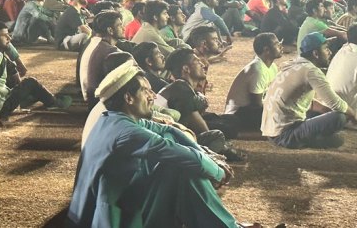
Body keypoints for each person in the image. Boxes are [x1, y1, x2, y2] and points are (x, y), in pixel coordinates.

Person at [68, 61, 239, 228]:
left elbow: (168, 130)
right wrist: (218, 173)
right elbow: (176, 153)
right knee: (184, 169)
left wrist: (206, 154)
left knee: (183, 162)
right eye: (146, 91)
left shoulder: (113, 119)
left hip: (122, 204)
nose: (154, 96)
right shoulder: (126, 132)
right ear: (128, 98)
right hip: (112, 220)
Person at [262, 32, 357, 149]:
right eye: (326, 49)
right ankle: (305, 141)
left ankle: (310, 137)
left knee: (326, 115)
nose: (329, 52)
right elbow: (335, 103)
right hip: (285, 135)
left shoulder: (293, 64)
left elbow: (297, 99)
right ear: (315, 53)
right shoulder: (310, 70)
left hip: (272, 131)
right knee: (339, 118)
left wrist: (323, 109)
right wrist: (353, 114)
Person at [0, 21, 71, 127]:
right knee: (30, 82)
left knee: (11, 75)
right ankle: (54, 103)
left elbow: (8, 66)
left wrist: (16, 77)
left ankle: (26, 99)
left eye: (8, 35)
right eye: (4, 36)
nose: (9, 38)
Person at [224, 33, 282, 132]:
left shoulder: (272, 67)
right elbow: (257, 104)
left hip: (250, 110)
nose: (281, 46)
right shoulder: (257, 70)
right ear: (266, 50)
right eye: (277, 44)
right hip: (238, 114)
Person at [78, 11, 123, 109]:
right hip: (99, 103)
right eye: (119, 25)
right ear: (110, 30)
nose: (123, 28)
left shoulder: (95, 42)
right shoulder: (108, 50)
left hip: (91, 99)